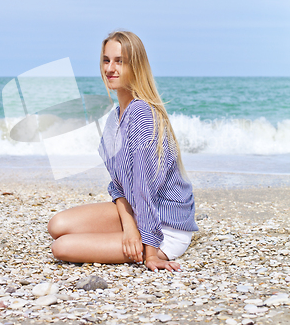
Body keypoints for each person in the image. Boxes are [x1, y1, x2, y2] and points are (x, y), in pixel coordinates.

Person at [48, 30, 198, 272]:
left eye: (120, 61)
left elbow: (143, 187)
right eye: (106, 60)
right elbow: (118, 185)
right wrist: (129, 226)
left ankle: (148, 240)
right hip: (136, 213)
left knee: (62, 247)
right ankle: (132, 231)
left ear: (135, 66)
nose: (110, 68)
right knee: (57, 225)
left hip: (165, 226)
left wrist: (151, 253)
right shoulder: (113, 118)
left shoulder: (142, 113)